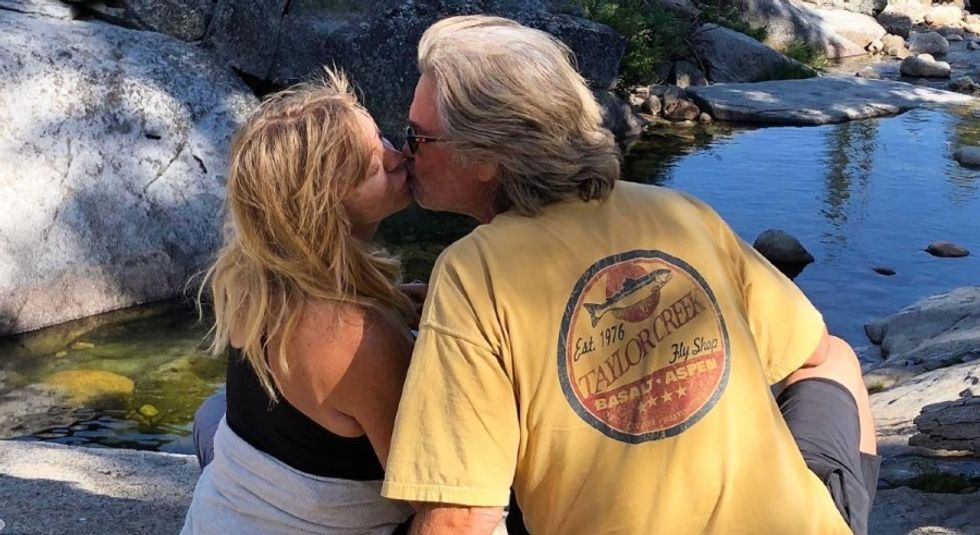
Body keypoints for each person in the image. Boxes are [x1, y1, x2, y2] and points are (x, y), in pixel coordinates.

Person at [380, 15, 879, 535]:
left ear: (486, 156)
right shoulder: (681, 212)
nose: (404, 151)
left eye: (417, 137)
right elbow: (813, 350)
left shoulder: (473, 272)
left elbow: (461, 520)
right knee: (839, 357)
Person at [182, 68, 420, 535]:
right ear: (324, 208)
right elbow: (428, 490)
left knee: (213, 413)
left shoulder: (250, 280)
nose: (399, 159)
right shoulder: (359, 337)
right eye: (373, 168)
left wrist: (399, 304)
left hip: (217, 520)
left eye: (383, 139)